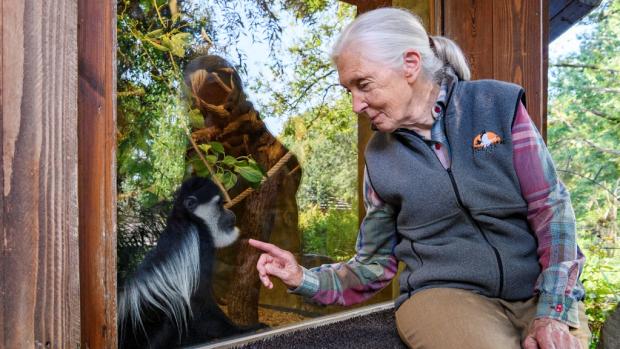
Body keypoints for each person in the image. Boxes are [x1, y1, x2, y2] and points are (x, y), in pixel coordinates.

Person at [249, 7, 590, 349]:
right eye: (348, 90)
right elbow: (373, 267)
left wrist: (553, 311)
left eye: (363, 85)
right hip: (444, 297)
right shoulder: (380, 158)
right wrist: (301, 278)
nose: (355, 105)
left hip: (536, 290)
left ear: (410, 64)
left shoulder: (497, 105)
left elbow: (551, 210)